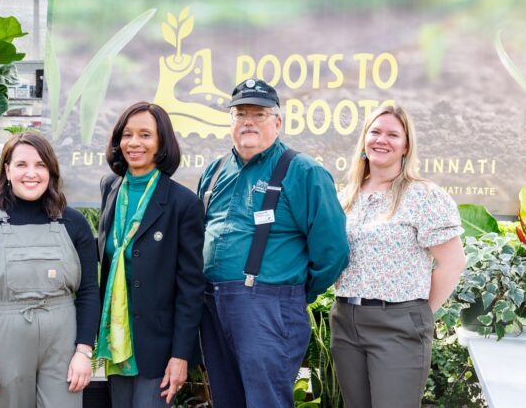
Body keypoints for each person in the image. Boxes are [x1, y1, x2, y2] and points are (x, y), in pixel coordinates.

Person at [196, 79, 350, 407]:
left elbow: (333, 252)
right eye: (240, 113)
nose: (248, 121)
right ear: (230, 121)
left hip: (269, 306)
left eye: (259, 114)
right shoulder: (214, 171)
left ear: (278, 122)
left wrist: (290, 295)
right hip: (212, 304)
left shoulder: (304, 172)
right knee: (226, 399)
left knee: (266, 401)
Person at [331, 105, 466, 408]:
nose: (382, 140)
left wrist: (417, 312)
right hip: (346, 322)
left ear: (406, 146)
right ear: (364, 140)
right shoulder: (346, 197)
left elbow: (453, 262)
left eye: (393, 134)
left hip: (398, 324)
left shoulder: (422, 196)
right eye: (375, 132)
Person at [0, 132, 100, 407]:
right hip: (2, 338)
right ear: (7, 170)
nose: (31, 173)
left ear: (51, 171)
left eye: (40, 165)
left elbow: (90, 291)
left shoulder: (73, 222)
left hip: (63, 343)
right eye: (21, 165)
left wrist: (84, 351)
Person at [97, 102, 205, 407]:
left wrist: (180, 355)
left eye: (145, 135)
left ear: (161, 143)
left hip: (157, 345)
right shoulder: (110, 188)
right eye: (127, 134)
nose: (134, 143)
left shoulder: (183, 204)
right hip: (116, 337)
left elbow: (191, 286)